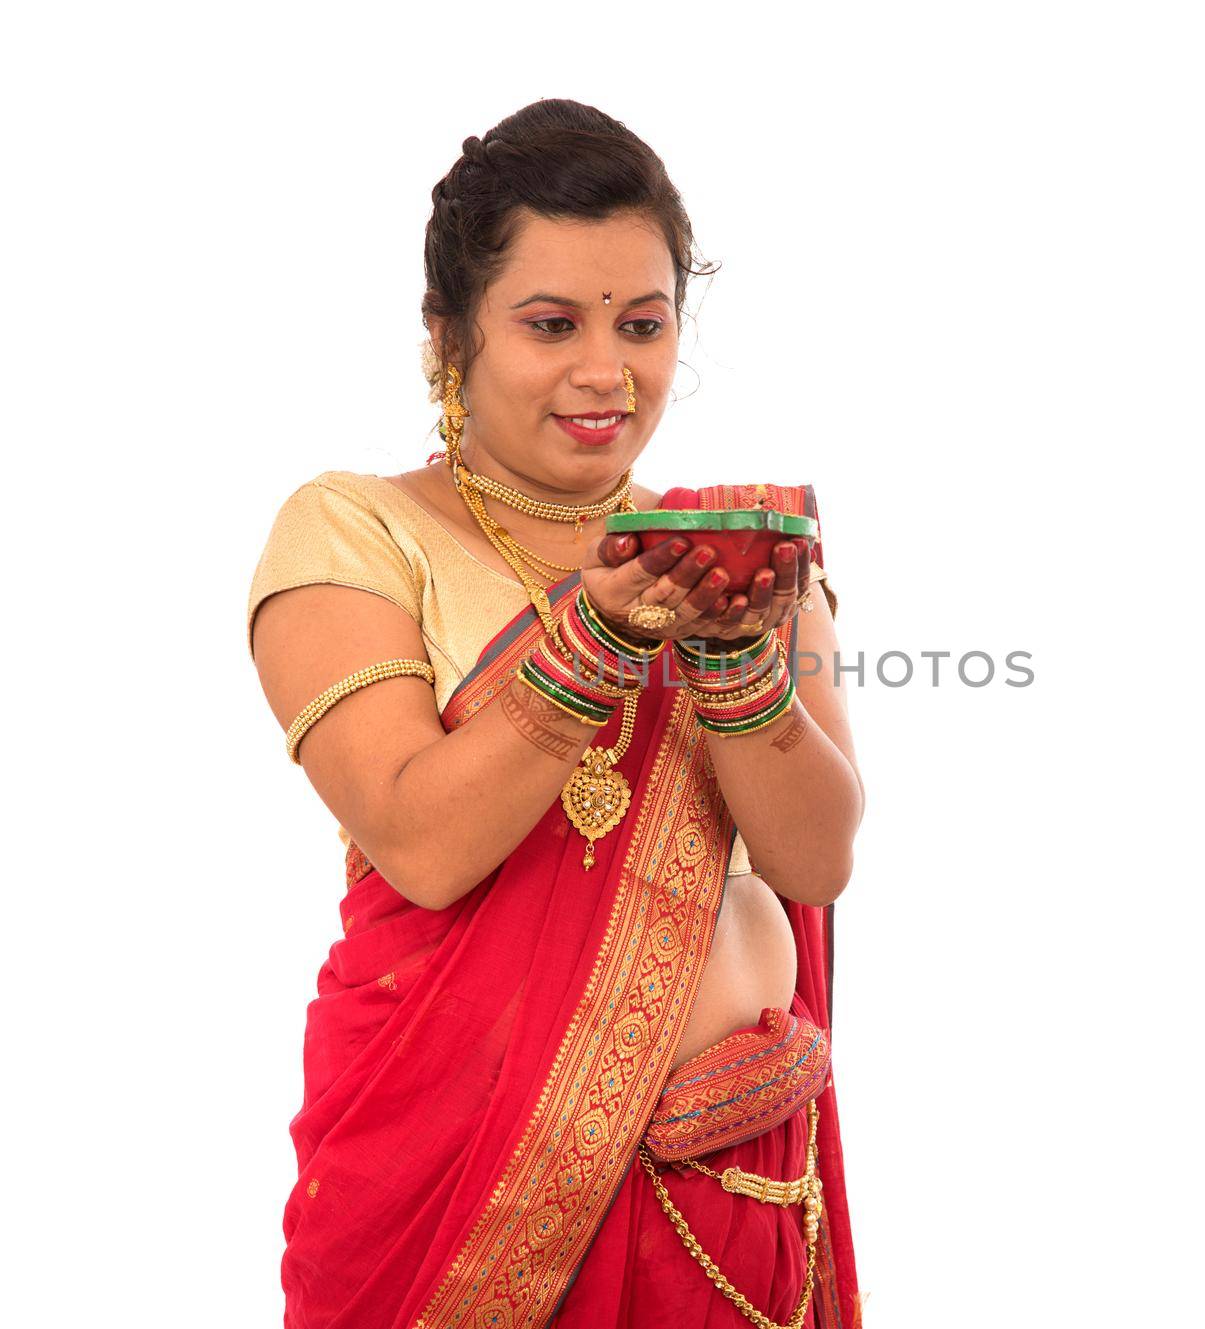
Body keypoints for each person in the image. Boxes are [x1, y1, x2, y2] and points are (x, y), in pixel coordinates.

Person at [246, 99, 865, 1329]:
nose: (606, 370)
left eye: (642, 324)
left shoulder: (725, 550)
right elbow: (423, 844)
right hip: (457, 1175)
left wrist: (737, 656)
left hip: (740, 1177)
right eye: (550, 325)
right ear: (447, 337)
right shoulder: (357, 531)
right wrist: (600, 634)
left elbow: (815, 857)